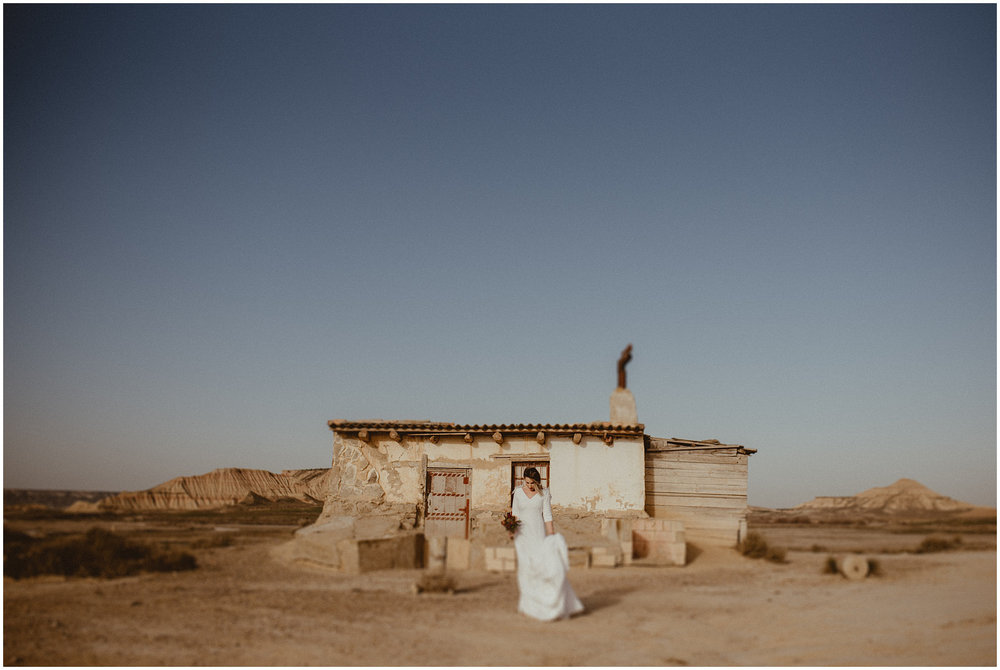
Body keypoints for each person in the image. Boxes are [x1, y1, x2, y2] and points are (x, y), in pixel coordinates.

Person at [509, 467, 584, 621]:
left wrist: (551, 536)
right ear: (524, 480)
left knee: (541, 568)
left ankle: (547, 604)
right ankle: (527, 606)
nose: (530, 486)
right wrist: (512, 530)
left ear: (538, 481)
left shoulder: (544, 493)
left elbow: (547, 515)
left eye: (533, 483)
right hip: (522, 536)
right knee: (525, 569)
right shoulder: (517, 492)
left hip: (538, 534)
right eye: (527, 482)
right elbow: (515, 513)